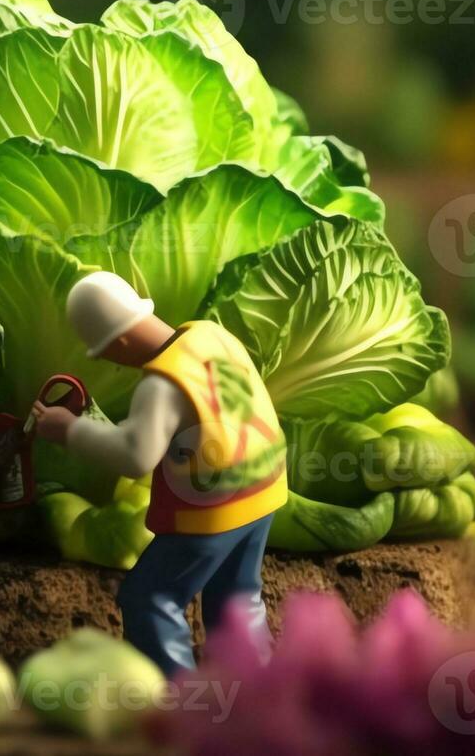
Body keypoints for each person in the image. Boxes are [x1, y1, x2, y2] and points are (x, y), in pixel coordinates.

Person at [31, 272, 286, 675]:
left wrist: (69, 430)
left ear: (122, 342)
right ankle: (258, 692)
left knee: (150, 598)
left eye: (107, 354)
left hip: (214, 507)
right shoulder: (208, 334)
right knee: (238, 599)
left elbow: (136, 456)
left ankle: (181, 703)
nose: (114, 365)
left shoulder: (160, 384)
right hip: (265, 487)